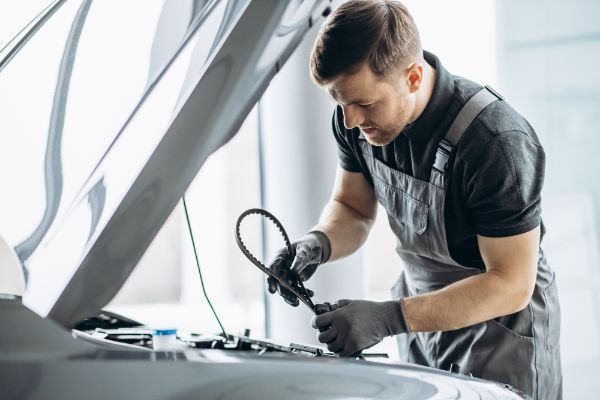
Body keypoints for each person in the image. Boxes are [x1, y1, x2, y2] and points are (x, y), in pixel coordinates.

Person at [266, 1, 562, 398]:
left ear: (414, 76)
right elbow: (353, 209)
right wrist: (317, 244)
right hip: (421, 321)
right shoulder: (356, 122)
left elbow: (510, 283)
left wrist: (389, 318)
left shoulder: (495, 143)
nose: (351, 120)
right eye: (341, 103)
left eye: (365, 104)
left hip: (501, 334)